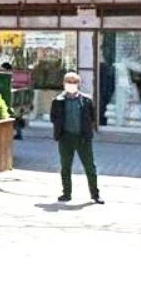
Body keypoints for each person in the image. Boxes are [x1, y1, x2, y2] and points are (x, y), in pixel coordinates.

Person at [50, 73, 102, 204]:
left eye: (74, 81)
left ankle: (95, 194)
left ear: (78, 84)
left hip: (83, 138)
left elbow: (92, 117)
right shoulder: (58, 101)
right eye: (68, 81)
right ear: (64, 83)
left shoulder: (86, 100)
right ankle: (66, 193)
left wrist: (87, 132)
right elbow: (53, 117)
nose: (71, 84)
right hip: (65, 138)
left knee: (90, 167)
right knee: (65, 167)